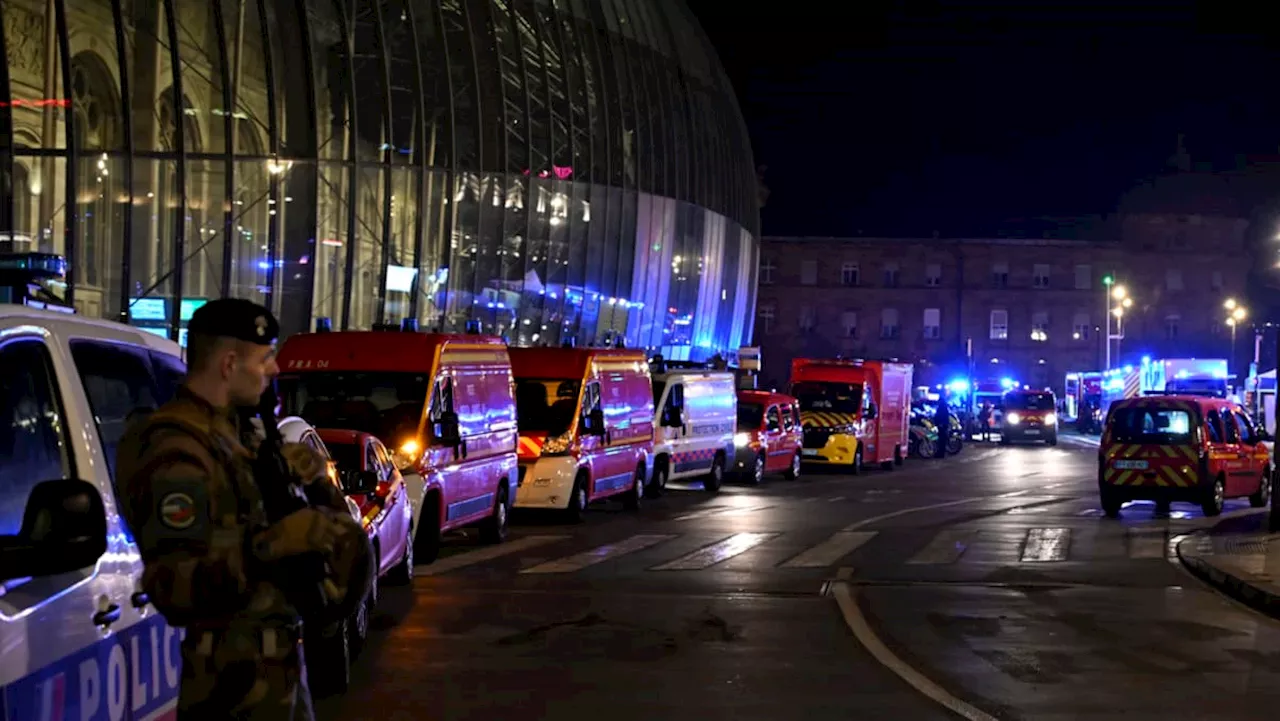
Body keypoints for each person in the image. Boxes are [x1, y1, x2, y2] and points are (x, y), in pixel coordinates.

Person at [115, 298, 363, 720]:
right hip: (229, 690)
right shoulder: (174, 448)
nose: (275, 369)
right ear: (229, 364)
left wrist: (315, 482)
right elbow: (174, 587)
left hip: (276, 675)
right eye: (266, 358)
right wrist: (272, 545)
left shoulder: (237, 439)